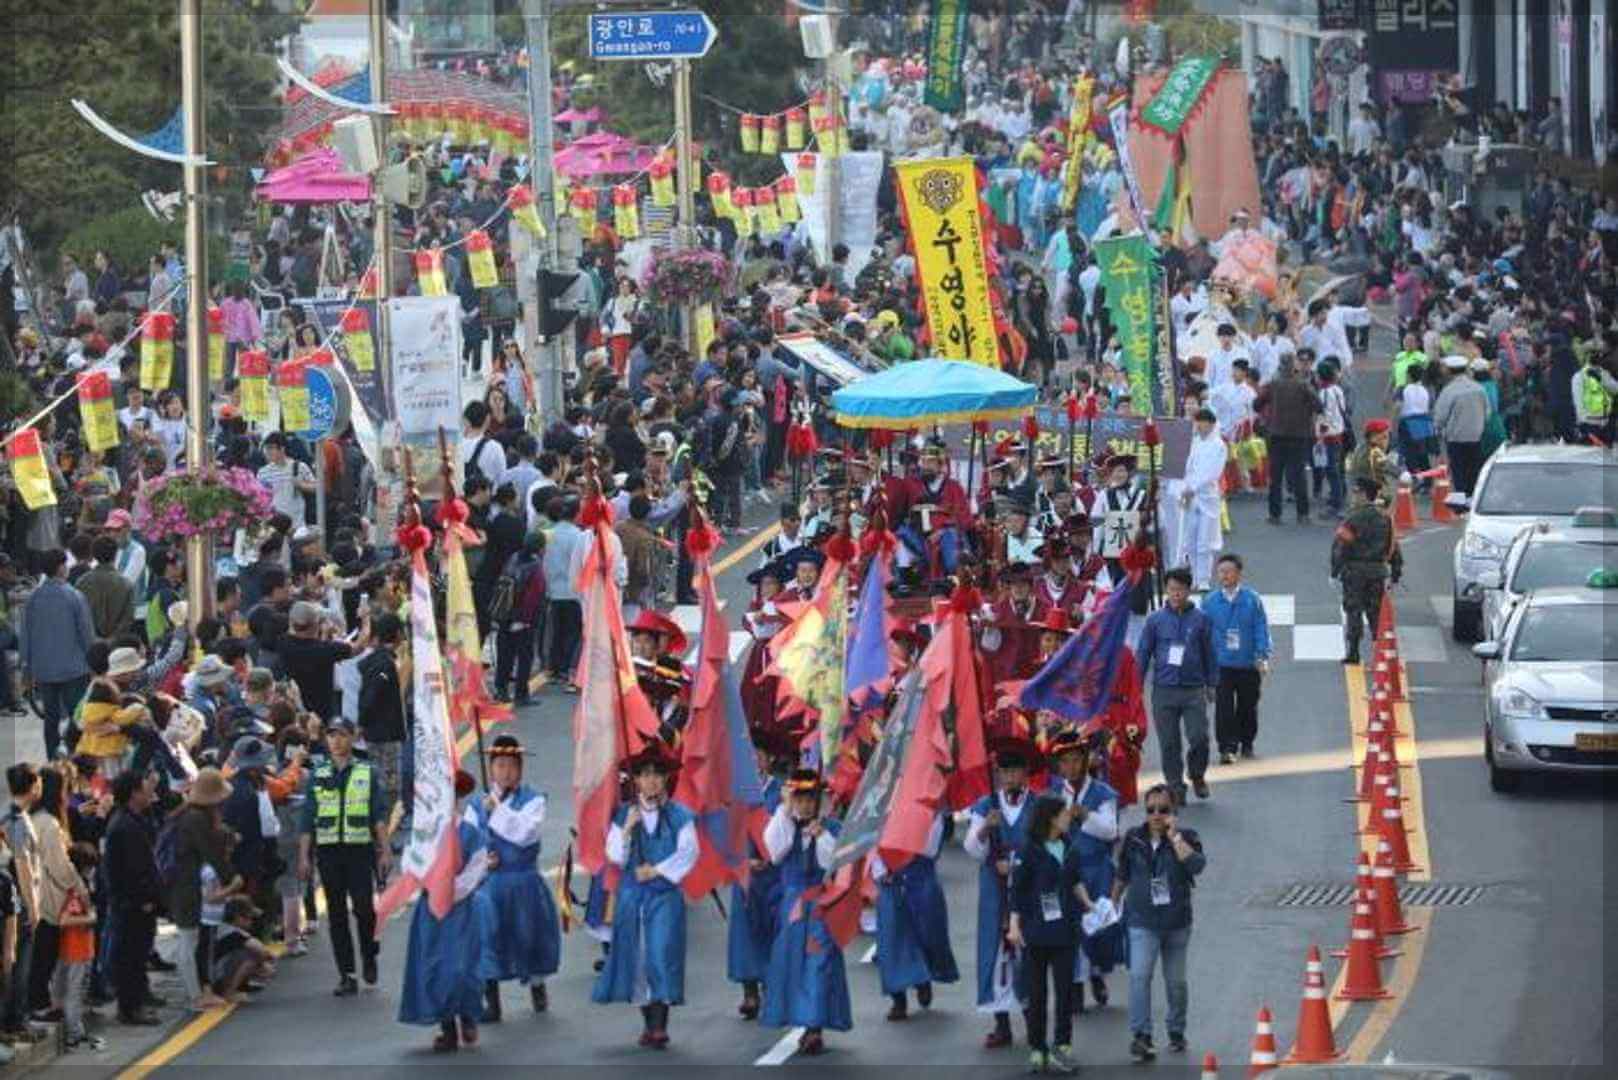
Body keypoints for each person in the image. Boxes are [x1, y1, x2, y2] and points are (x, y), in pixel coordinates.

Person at [592, 741, 697, 1048]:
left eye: (657, 774)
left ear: (665, 779)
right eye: (645, 775)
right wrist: (626, 831)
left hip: (664, 897)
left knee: (661, 953)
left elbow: (689, 852)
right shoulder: (624, 815)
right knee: (636, 958)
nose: (651, 780)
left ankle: (660, 1022)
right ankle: (648, 1022)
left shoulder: (680, 815)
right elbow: (614, 855)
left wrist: (657, 870)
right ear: (635, 780)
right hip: (632, 899)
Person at [399, 769, 496, 1053]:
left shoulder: (471, 833)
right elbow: (410, 864)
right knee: (435, 967)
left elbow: (474, 872)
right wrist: (427, 881)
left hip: (460, 911)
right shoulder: (423, 834)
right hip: (431, 912)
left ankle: (468, 1015)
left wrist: (448, 891)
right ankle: (447, 1026)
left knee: (463, 967)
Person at [466, 735, 560, 1020]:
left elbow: (524, 834)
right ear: (491, 768)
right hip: (489, 885)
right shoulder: (475, 805)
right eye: (500, 765)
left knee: (529, 937)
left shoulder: (534, 800)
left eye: (511, 765)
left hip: (523, 881)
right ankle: (491, 1002)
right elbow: (468, 843)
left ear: (520, 769)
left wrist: (499, 811)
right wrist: (483, 860)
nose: (506, 771)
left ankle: (537, 985)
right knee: (487, 941)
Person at [760, 769, 851, 1056]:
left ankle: (814, 1027)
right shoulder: (784, 823)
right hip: (792, 906)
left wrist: (821, 835)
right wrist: (785, 811)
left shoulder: (833, 828)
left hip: (822, 904)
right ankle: (800, 1017)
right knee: (793, 962)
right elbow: (774, 851)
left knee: (819, 961)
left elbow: (834, 864)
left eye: (810, 799)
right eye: (799, 799)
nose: (805, 805)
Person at [297, 717, 391, 997]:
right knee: (336, 913)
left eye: (341, 735)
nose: (335, 741)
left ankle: (369, 954)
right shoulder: (318, 773)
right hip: (328, 852)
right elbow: (307, 819)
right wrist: (304, 857)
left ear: (352, 738)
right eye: (331, 735)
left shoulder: (367, 772)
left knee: (364, 908)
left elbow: (378, 815)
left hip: (359, 850)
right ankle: (347, 974)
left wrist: (385, 849)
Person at [1113, 783, 1206, 1062]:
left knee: (1175, 982)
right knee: (1139, 976)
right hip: (1142, 921)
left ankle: (1176, 1030)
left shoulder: (1187, 836)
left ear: (1173, 810)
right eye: (1151, 809)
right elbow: (1122, 875)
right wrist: (1110, 903)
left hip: (1177, 923)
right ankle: (1141, 1036)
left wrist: (1174, 836)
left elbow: (1197, 866)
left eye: (1163, 809)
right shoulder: (1133, 838)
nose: (1156, 815)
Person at [963, 737, 1036, 1050]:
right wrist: (983, 829)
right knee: (995, 953)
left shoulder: (1039, 805)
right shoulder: (985, 806)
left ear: (1025, 774)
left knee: (1028, 953)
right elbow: (972, 849)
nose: (1010, 778)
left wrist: (1018, 865)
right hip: (994, 890)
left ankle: (1035, 1021)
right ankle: (1001, 1023)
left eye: (1016, 772)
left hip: (1028, 889)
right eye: (1005, 773)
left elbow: (1050, 847)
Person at [1006, 794, 1084, 1076]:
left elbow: (1075, 882)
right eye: (1064, 813)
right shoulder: (1029, 851)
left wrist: (1092, 907)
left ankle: (1062, 1046)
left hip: (1065, 932)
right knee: (1036, 994)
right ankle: (1037, 1048)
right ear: (1051, 817)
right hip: (1036, 933)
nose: (1069, 817)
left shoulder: (1069, 846)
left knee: (1065, 994)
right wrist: (1014, 926)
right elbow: (1017, 893)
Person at [1046, 727, 1119, 1011]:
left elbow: (1111, 830)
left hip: (1096, 868)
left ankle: (1097, 974)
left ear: (1086, 760)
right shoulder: (1053, 793)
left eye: (1077, 760)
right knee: (1069, 930)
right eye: (1065, 762)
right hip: (1066, 871)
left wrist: (1085, 814)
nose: (1071, 767)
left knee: (1096, 930)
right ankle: (1074, 984)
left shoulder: (1103, 793)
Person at [1136, 569, 1217, 806]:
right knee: (1169, 743)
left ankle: (1197, 774)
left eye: (1180, 589)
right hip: (1164, 690)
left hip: (1193, 690)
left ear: (1189, 590)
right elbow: (1143, 653)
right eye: (1171, 589)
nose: (1175, 594)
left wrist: (1212, 683)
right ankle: (1175, 786)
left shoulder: (1201, 619)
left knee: (1199, 737)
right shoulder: (1155, 620)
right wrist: (1136, 685)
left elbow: (1209, 654)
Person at [871, 800, 957, 1022]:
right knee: (891, 940)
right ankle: (898, 998)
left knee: (928, 935)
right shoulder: (882, 802)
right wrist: (881, 870)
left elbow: (930, 849)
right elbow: (871, 839)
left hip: (921, 876)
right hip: (891, 881)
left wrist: (920, 822)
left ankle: (923, 977)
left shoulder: (930, 809)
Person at [164, 768, 240, 1012]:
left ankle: (195, 993)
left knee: (189, 939)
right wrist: (233, 878)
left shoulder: (186, 815)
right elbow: (213, 854)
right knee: (189, 941)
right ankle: (196, 996)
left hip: (181, 884)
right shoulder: (196, 820)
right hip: (185, 886)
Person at [19, 549, 95, 759]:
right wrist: (94, 664)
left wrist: (26, 668)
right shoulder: (75, 596)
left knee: (50, 719)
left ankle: (53, 760)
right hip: (74, 669)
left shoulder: (32, 599)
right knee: (77, 716)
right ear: (61, 568)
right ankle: (76, 758)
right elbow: (86, 635)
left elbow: (25, 635)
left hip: (43, 670)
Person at [102, 770, 162, 1026]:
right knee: (131, 955)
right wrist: (144, 899)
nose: (149, 792)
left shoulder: (131, 820)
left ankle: (136, 1002)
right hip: (132, 904)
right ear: (134, 793)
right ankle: (130, 1008)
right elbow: (133, 870)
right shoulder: (124, 825)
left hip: (134, 902)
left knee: (137, 954)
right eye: (144, 788)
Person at [1200, 554, 1272, 763]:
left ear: (1239, 574)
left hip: (1247, 663)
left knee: (1247, 706)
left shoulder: (1252, 599)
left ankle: (1246, 742)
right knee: (1223, 708)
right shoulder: (1210, 601)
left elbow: (1261, 628)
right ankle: (1227, 748)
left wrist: (1262, 655)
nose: (1224, 576)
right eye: (1221, 571)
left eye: (1229, 571)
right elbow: (1203, 633)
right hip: (1221, 664)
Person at [1332, 478, 1404, 665]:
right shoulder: (1385, 518)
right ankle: (1379, 653)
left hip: (1354, 572)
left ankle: (1353, 652)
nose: (1353, 496)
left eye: (1356, 492)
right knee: (1376, 613)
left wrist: (1335, 571)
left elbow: (1341, 546)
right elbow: (1393, 547)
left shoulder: (1353, 518)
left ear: (1364, 494)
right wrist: (1396, 572)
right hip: (1377, 571)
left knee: (1353, 610)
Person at [1431, 354, 1489, 502]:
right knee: (1474, 469)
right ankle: (1473, 499)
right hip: (1476, 436)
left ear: (1449, 371)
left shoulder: (1449, 390)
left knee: (1458, 471)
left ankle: (1461, 501)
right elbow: (1487, 412)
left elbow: (1440, 416)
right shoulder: (1479, 388)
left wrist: (1437, 429)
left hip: (1455, 437)